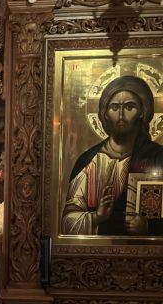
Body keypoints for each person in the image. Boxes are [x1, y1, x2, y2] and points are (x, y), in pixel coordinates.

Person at [61, 75, 163, 235]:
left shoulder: (157, 157)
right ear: (105, 113)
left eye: (129, 107)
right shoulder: (89, 162)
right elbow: (67, 223)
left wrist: (148, 227)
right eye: (114, 107)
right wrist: (97, 217)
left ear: (142, 112)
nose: (121, 115)